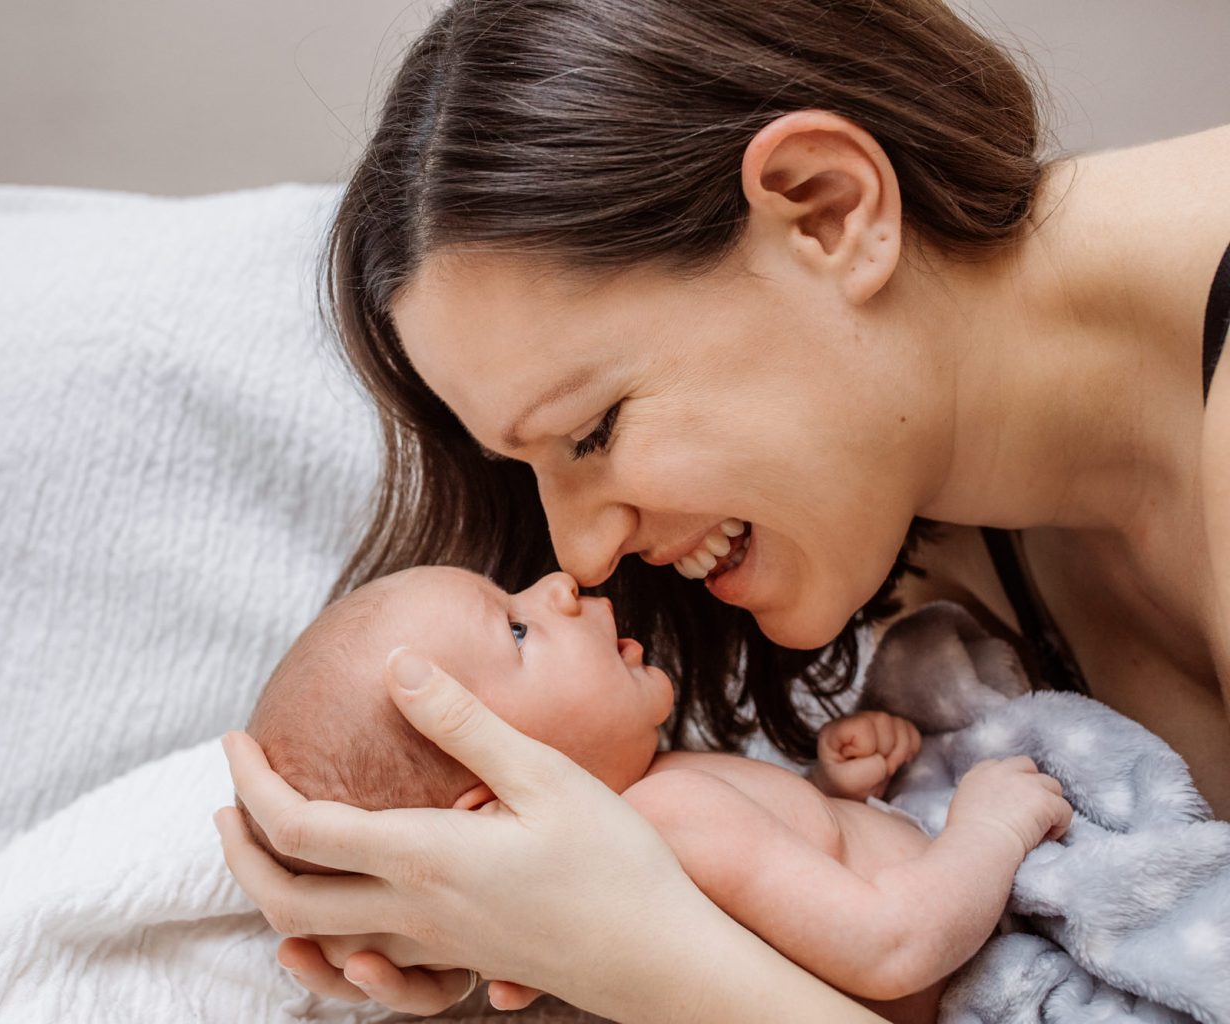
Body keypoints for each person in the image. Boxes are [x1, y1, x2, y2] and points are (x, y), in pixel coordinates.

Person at [218, 0, 1230, 1017]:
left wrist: (642, 956)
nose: (581, 558)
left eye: (593, 431)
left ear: (826, 209)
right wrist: (478, 915)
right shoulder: (923, 549)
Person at [237, 565, 1072, 1023]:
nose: (558, 586)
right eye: (517, 630)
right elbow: (893, 948)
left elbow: (787, 907)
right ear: (491, 806)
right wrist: (990, 828)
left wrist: (829, 797)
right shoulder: (669, 820)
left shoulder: (665, 803)